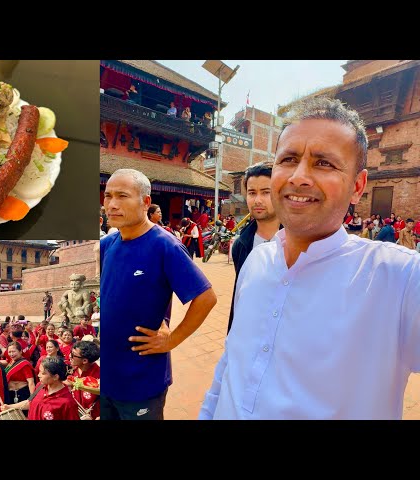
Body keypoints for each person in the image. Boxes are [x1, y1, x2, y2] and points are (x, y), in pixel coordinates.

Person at [199, 96, 420, 420]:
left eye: (324, 163)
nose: (298, 176)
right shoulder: (256, 262)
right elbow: (231, 363)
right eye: (288, 159)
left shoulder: (399, 278)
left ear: (358, 186)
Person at [101, 168, 217, 420]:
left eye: (122, 196)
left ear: (145, 202)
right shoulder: (108, 244)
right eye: (108, 196)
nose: (111, 204)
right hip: (107, 376)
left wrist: (173, 339)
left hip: (141, 379)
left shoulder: (165, 246)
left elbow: (206, 297)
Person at [228, 162, 282, 333]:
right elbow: (240, 295)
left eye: (266, 192)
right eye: (252, 193)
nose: (257, 200)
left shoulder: (299, 241)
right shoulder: (241, 244)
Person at [0, 357, 79, 420]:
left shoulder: (68, 403)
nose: (38, 375)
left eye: (43, 373)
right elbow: (30, 402)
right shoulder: (39, 386)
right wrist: (10, 407)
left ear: (55, 377)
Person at [69, 340, 100, 420]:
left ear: (85, 361)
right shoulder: (70, 371)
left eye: (73, 355)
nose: (70, 356)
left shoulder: (101, 375)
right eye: (70, 352)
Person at [5, 341, 35, 408]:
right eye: (9, 352)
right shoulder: (11, 362)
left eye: (13, 351)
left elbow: (31, 382)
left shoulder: (24, 364)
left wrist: (32, 399)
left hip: (22, 394)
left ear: (20, 351)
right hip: (11, 394)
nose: (11, 354)